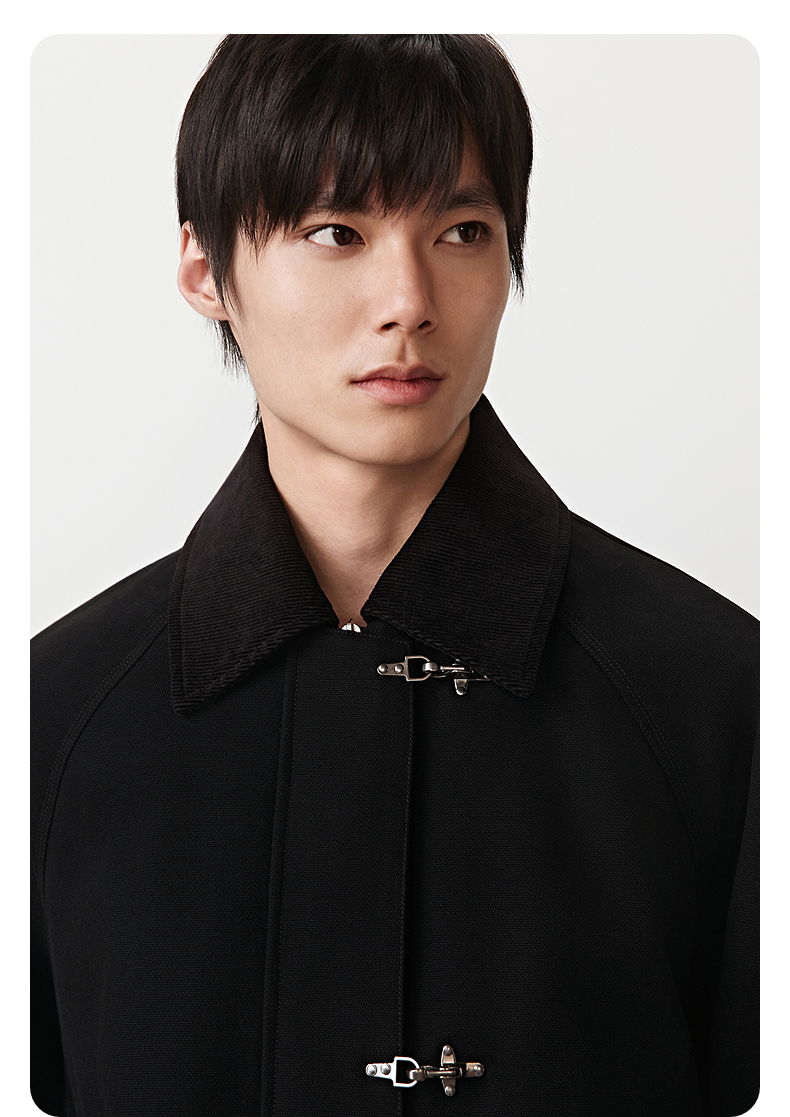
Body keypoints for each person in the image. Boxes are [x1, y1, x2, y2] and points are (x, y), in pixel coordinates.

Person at [31, 34, 758, 1117]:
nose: (409, 299)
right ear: (205, 271)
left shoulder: (720, 695)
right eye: (337, 232)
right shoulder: (52, 717)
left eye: (462, 232)